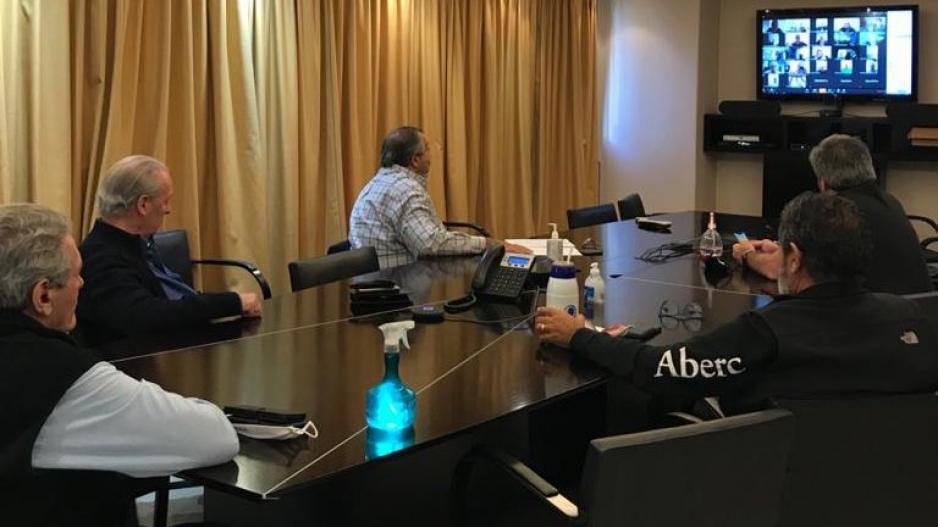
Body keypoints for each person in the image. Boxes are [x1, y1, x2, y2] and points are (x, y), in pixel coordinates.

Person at [535, 192, 938, 416]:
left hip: (771, 490)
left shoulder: (766, 332)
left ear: (794, 259)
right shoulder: (911, 319)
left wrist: (579, 335)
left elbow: (657, 368)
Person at [0, 203, 239, 526]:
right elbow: (215, 437)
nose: (82, 284)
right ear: (43, 296)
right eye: (76, 274)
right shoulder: (61, 379)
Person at [77, 155, 263, 346]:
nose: (168, 209)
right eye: (166, 201)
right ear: (143, 204)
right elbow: (148, 314)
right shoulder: (100, 257)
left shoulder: (133, 243)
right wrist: (231, 303)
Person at [732, 134, 932, 295]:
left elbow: (778, 270)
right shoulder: (890, 202)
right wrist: (785, 251)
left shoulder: (837, 213)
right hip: (916, 318)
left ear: (823, 182)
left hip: (870, 323)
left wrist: (748, 254)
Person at [348, 126, 531, 269]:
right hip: (397, 290)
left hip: (370, 288)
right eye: (428, 149)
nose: (431, 155)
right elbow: (431, 243)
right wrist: (488, 244)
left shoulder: (375, 184)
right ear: (415, 160)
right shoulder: (405, 190)